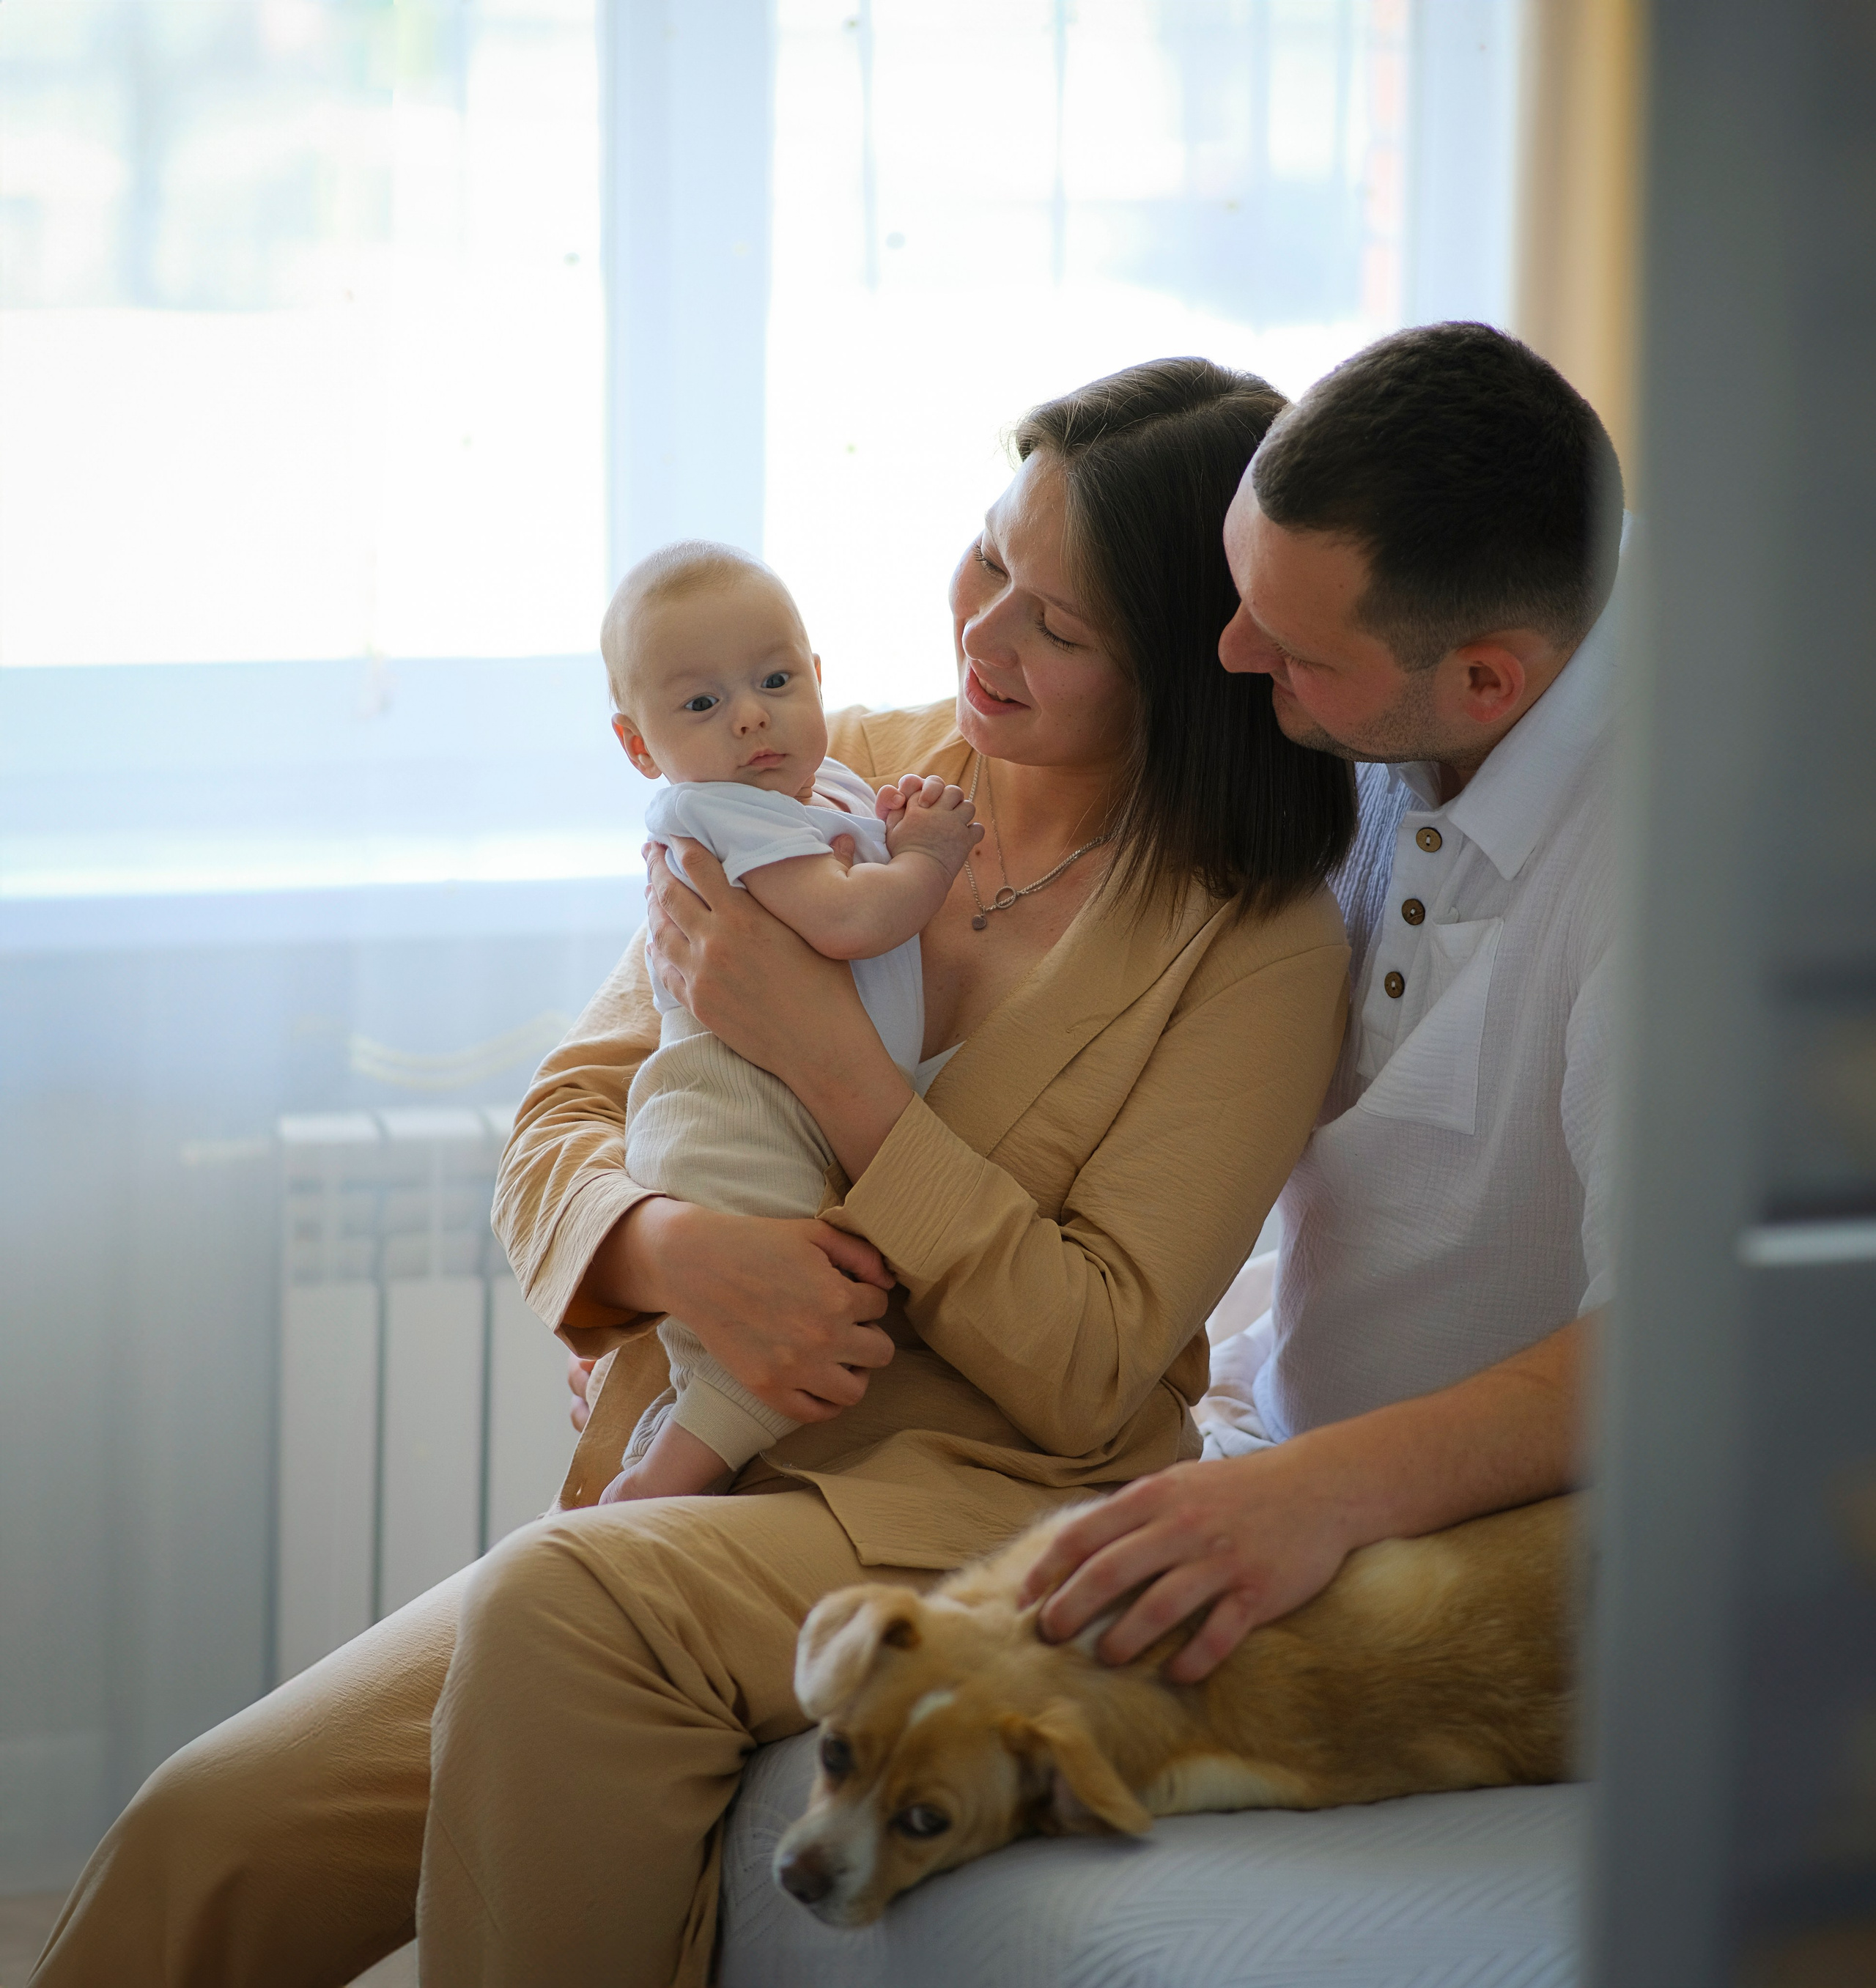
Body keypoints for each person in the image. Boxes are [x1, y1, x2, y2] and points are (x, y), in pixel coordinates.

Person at [29, 358, 1355, 1988]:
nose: (984, 628)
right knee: (205, 1830)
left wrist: (837, 1071)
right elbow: (564, 1121)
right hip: (711, 1464)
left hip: (968, 1506)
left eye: (1058, 626)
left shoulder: (1256, 940)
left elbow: (1091, 1366)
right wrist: (673, 1253)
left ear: (1187, 662)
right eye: (986, 553)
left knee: (558, 1608)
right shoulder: (829, 765)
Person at [1021, 321, 1625, 1685]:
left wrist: (1316, 1496)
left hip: (1486, 1537)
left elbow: (1683, 1341)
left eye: (1291, 646)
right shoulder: (1388, 694)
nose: (1232, 650)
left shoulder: (1676, 869)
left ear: (1488, 679)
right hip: (1272, 1423)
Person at [595, 540, 982, 1502]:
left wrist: (890, 826)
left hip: (771, 1106)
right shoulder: (723, 810)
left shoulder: (826, 786)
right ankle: (662, 1481)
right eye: (702, 703)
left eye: (774, 681)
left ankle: (663, 1451)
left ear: (815, 673)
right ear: (639, 747)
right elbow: (849, 921)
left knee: (774, 1328)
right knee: (786, 1335)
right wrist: (928, 858)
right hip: (729, 1111)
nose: (750, 716)